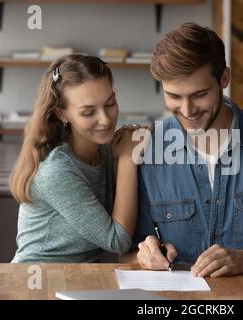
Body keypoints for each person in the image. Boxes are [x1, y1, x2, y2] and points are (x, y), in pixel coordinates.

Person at [131, 23, 243, 277]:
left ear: (224, 78)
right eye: (174, 96)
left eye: (199, 94)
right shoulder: (147, 148)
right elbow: (135, 242)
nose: (187, 110)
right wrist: (146, 251)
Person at [10, 54, 143, 263]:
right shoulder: (56, 170)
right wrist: (128, 158)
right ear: (62, 114)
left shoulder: (106, 150)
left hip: (81, 277)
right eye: (88, 112)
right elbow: (118, 241)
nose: (106, 120)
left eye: (110, 104)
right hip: (38, 281)